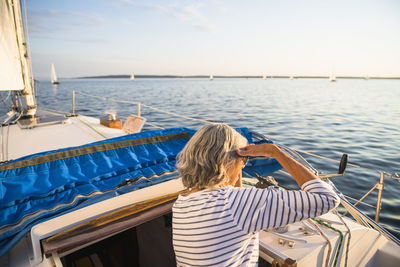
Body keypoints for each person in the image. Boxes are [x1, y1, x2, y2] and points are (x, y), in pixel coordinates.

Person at [172, 123, 340, 266]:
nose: (243, 166)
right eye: (244, 160)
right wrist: (276, 152)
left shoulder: (181, 203)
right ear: (226, 161)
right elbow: (327, 198)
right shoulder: (235, 203)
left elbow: (233, 197)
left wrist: (233, 163)